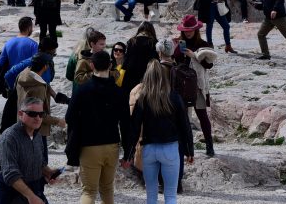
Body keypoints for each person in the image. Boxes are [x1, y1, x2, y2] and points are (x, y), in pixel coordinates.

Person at [64, 50, 129, 204]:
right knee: (107, 190)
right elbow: (126, 122)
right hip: (112, 145)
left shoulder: (82, 90)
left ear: (91, 65)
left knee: (89, 192)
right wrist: (128, 152)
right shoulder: (119, 92)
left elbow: (69, 117)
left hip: (89, 146)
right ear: (111, 65)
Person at [126, 61, 193, 204]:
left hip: (149, 148)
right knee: (170, 195)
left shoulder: (142, 98)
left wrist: (128, 153)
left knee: (151, 196)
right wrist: (189, 151)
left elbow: (134, 128)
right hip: (170, 148)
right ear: (164, 77)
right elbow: (185, 126)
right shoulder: (174, 97)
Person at [0, 96, 62, 204]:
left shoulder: (37, 135)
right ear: (20, 114)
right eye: (32, 114)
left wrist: (48, 172)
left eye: (41, 114)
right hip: (9, 197)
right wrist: (31, 196)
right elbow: (10, 174)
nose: (37, 118)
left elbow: (39, 162)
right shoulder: (9, 138)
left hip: (33, 193)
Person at [173, 15, 217, 156]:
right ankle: (185, 146)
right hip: (182, 85)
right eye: (185, 30)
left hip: (198, 85)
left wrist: (194, 55)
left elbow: (209, 65)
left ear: (196, 30)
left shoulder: (203, 45)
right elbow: (176, 62)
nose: (188, 32)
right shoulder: (180, 44)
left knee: (202, 115)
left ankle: (209, 146)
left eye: (190, 30)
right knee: (182, 116)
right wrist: (175, 49)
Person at [15, 53, 65, 138]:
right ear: (45, 67)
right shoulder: (38, 88)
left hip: (22, 124)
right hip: (36, 130)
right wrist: (58, 121)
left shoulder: (22, 76)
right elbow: (38, 114)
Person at [121, 21, 159, 97]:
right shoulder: (154, 42)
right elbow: (156, 61)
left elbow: (126, 61)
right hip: (147, 77)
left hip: (130, 76)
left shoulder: (131, 41)